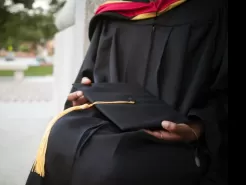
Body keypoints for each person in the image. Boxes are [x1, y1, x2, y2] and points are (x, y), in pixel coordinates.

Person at [26, 0, 228, 184]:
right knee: (60, 135)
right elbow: (91, 77)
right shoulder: (113, 14)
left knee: (116, 167)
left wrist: (197, 127)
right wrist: (88, 97)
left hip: (177, 142)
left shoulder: (213, 12)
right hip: (107, 126)